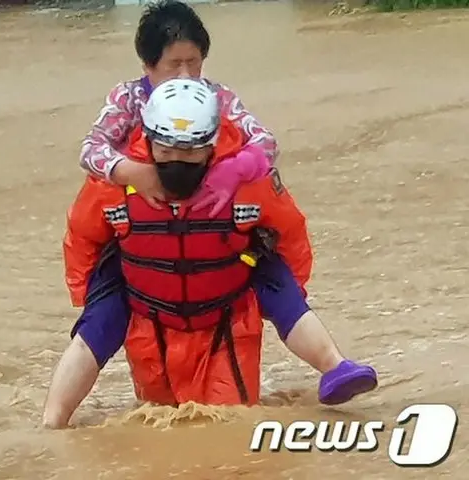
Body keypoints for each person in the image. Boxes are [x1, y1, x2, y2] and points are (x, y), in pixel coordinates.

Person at [42, 2, 377, 427]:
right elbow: (89, 158)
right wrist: (135, 174)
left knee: (273, 279)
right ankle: (51, 425)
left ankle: (335, 365)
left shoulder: (219, 101)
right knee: (99, 320)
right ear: (148, 64)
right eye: (171, 65)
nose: (184, 76)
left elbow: (268, 151)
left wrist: (231, 172)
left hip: (223, 252)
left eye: (193, 64)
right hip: (141, 247)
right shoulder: (126, 101)